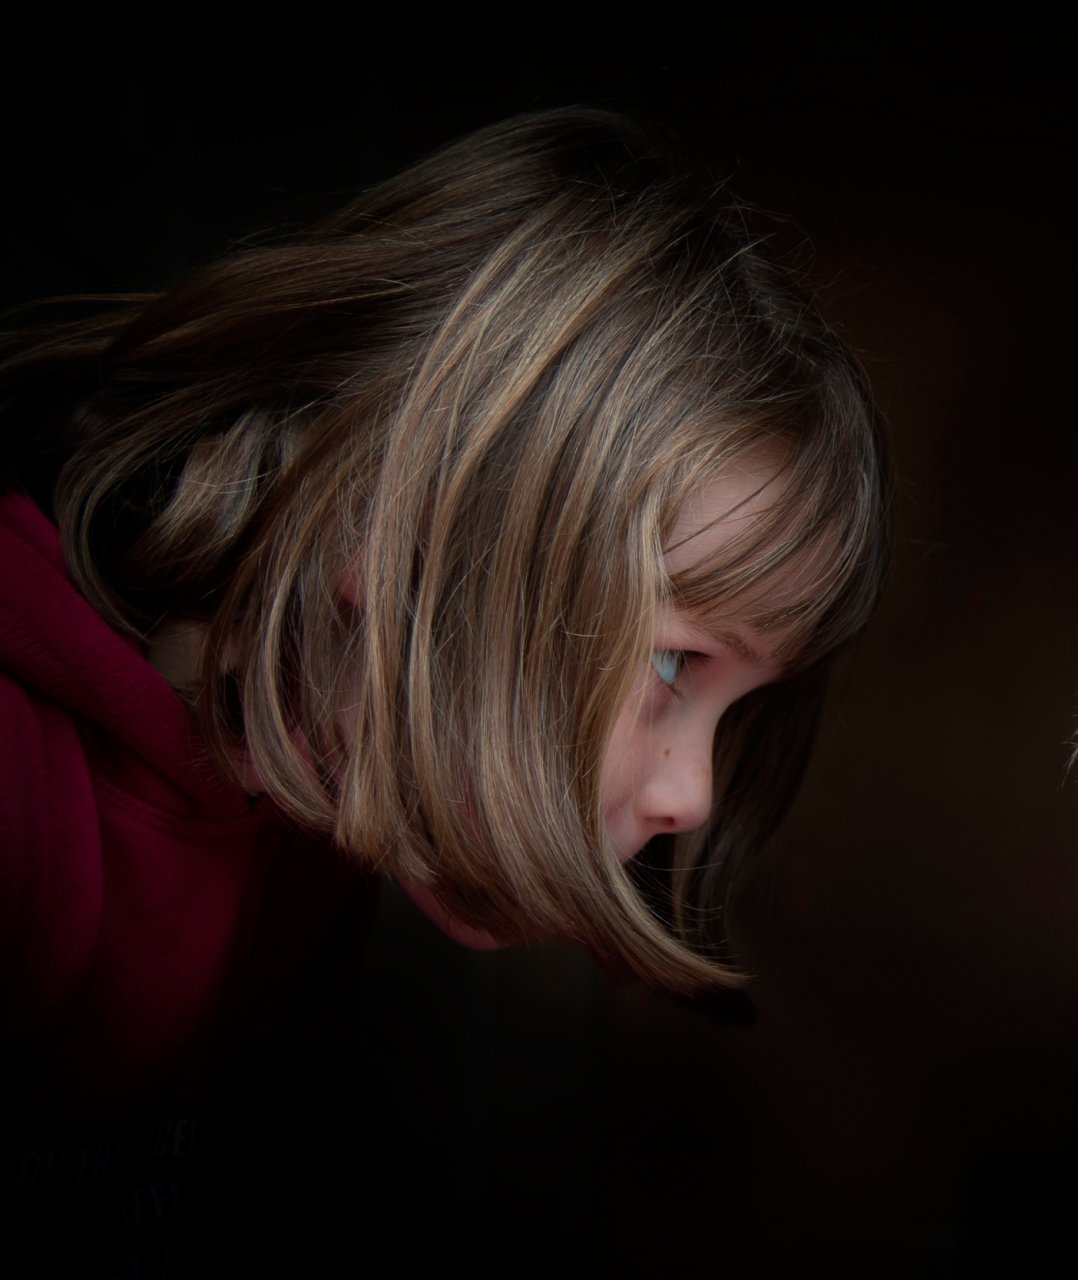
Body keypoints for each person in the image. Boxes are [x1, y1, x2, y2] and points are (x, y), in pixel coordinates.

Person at [0, 107, 892, 1120]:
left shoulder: (313, 819)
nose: (693, 795)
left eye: (735, 706)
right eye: (677, 664)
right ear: (374, 519)